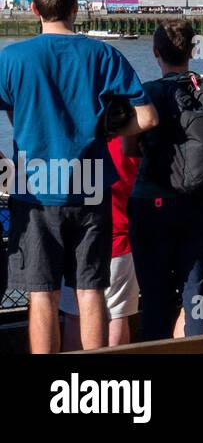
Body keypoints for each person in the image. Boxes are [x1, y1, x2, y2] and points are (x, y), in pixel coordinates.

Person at [0, 0, 159, 353]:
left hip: (34, 189)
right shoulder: (102, 54)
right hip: (90, 187)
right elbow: (148, 117)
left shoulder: (12, 58)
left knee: (43, 295)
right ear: (75, 7)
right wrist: (105, 133)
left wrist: (6, 168)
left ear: (35, 9)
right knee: (90, 292)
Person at [129, 20, 203, 341]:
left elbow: (130, 149)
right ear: (191, 50)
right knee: (195, 291)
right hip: (197, 206)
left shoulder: (148, 93)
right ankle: (198, 344)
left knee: (156, 298)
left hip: (152, 205)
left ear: (156, 52)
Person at [59, 134, 138, 350]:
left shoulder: (71, 139)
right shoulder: (127, 139)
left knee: (75, 316)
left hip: (74, 239)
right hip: (119, 234)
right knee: (117, 315)